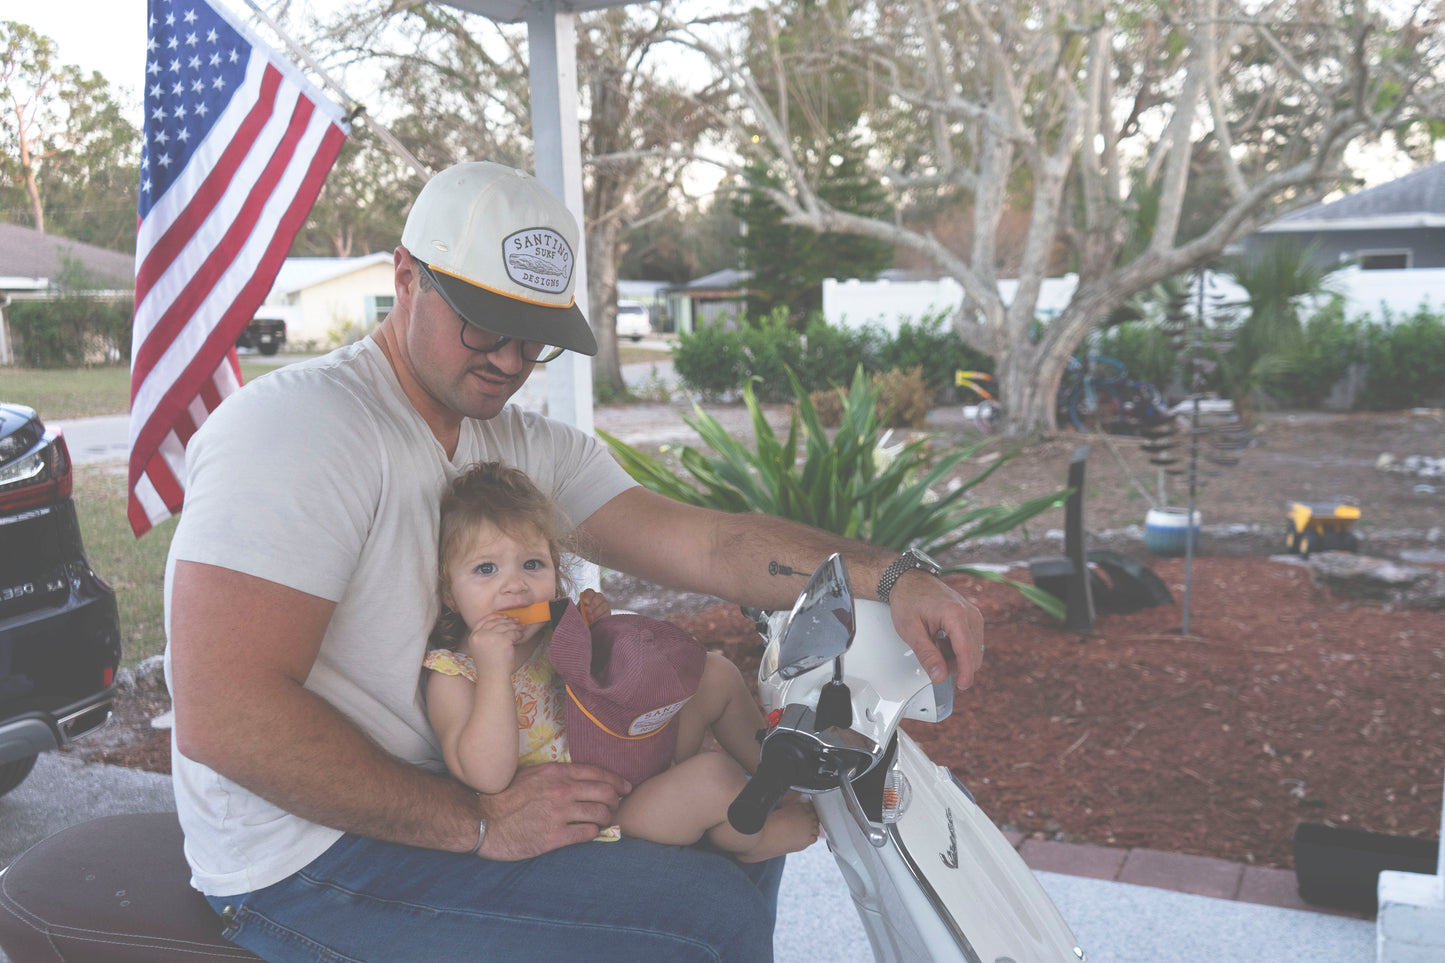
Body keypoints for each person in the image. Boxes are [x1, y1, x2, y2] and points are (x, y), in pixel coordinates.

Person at [165, 160, 985, 961]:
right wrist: (479, 822)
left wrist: (891, 574)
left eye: (537, 337)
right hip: (306, 856)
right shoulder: (300, 432)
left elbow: (706, 541)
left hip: (469, 774)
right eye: (484, 323)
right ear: (406, 276)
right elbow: (224, 713)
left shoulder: (513, 442)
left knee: (733, 809)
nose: (511, 361)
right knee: (700, 919)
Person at [423, 461, 820, 861]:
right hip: (608, 812)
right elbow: (486, 777)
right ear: (452, 594)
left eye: (532, 564)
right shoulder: (455, 676)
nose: (516, 585)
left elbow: (615, 688)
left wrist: (596, 633)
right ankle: (750, 842)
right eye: (485, 569)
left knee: (716, 675)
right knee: (716, 779)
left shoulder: (553, 633)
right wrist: (494, 670)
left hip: (636, 753)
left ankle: (783, 777)